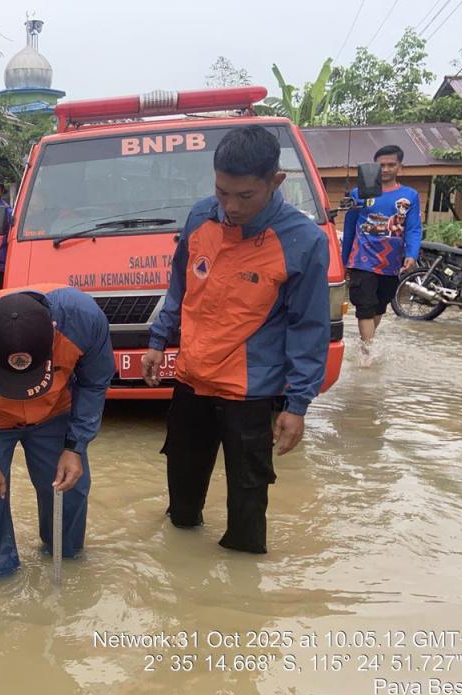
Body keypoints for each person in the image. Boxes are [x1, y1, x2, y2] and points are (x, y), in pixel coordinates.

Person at [141, 126, 330, 555]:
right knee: (181, 506)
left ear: (275, 182)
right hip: (191, 381)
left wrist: (297, 405)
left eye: (245, 196)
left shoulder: (303, 242)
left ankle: (240, 611)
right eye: (222, 192)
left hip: (251, 393)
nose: (230, 206)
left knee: (247, 511)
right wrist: (158, 341)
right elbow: (179, 287)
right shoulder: (200, 217)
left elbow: (309, 329)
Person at [0, 285, 114, 577]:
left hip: (55, 410)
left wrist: (74, 446)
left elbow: (95, 382)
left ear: (53, 335)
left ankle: (66, 561)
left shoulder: (83, 318)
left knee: (69, 488)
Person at [341, 145, 421, 361]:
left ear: (399, 168)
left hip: (391, 263)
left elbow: (413, 228)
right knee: (364, 307)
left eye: (390, 165)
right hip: (362, 260)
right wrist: (343, 261)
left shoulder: (410, 196)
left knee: (378, 308)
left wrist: (411, 254)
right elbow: (349, 228)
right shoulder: (359, 194)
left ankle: (365, 344)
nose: (385, 169)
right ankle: (367, 355)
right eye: (381, 165)